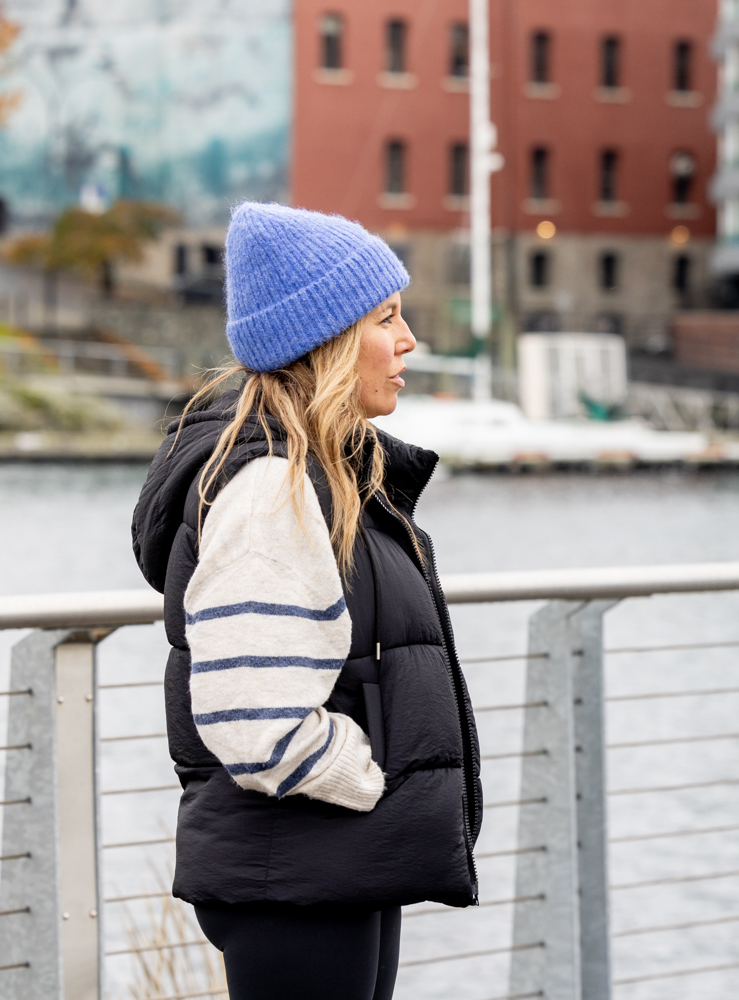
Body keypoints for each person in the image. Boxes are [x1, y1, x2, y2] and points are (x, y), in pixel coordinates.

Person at [132, 202, 482, 1000]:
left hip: (332, 862)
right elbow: (252, 715)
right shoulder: (273, 489)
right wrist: (366, 777)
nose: (408, 340)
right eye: (385, 318)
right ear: (325, 339)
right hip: (296, 871)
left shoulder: (328, 474)